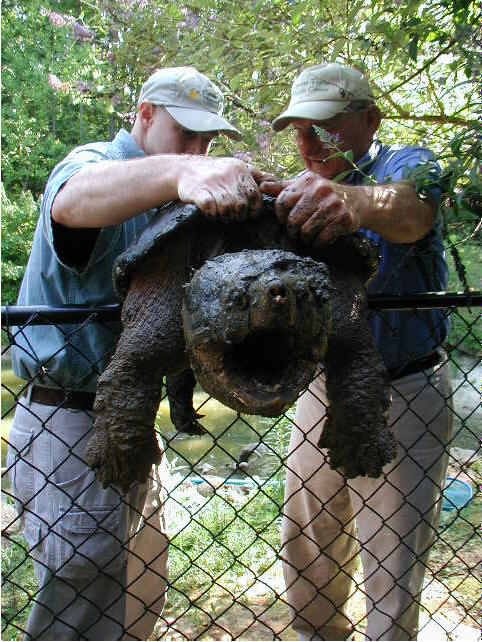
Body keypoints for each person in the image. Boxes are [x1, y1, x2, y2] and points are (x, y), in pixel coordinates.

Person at [7, 66, 263, 641]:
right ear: (144, 114)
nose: (199, 150)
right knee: (85, 590)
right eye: (186, 133)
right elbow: (72, 202)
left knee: (137, 588)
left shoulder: (176, 193)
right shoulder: (94, 162)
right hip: (69, 421)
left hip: (133, 423)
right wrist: (183, 172)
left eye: (208, 141)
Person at [259, 63, 453, 640]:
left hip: (406, 393)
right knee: (309, 558)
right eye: (298, 128)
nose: (307, 142)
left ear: (370, 119)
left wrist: (345, 200)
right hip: (321, 391)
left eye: (324, 125)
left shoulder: (410, 164)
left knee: (392, 580)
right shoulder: (297, 193)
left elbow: (414, 208)